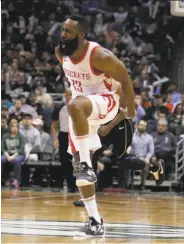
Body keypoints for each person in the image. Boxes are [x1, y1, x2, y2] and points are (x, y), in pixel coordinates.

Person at [55, 14, 135, 237]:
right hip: (81, 112)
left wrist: (131, 110)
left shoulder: (99, 55)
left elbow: (126, 80)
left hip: (105, 102)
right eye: (62, 29)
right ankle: (95, 222)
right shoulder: (61, 52)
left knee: (73, 105)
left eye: (68, 31)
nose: (63, 34)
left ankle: (86, 167)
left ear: (81, 34)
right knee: (80, 173)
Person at [51, 88, 76, 192]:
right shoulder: (59, 107)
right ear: (65, 95)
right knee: (65, 161)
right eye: (68, 94)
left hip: (76, 136)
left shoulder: (79, 106)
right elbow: (53, 125)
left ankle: (82, 184)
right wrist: (55, 139)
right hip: (63, 136)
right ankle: (71, 185)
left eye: (71, 94)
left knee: (78, 161)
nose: (69, 96)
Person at [1, 122, 25, 188]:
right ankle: (2, 178)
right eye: (13, 127)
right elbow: (2, 148)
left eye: (16, 127)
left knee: (16, 160)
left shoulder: (21, 136)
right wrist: (8, 156)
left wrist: (13, 156)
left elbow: (21, 149)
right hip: (7, 154)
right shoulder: (5, 136)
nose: (15, 128)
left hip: (19, 155)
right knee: (1, 160)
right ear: (10, 128)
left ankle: (16, 180)